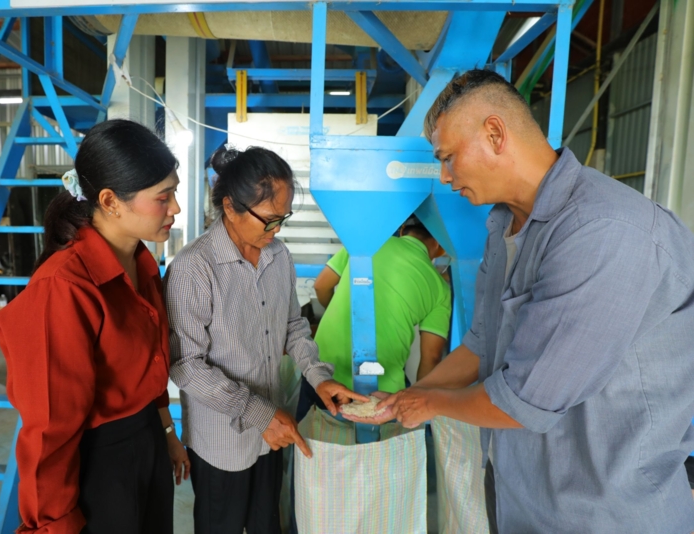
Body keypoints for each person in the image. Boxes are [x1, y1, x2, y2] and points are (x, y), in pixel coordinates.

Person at [344, 69, 694, 533]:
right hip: (524, 497)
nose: (445, 178)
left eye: (448, 158)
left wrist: (429, 404)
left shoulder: (604, 233)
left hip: (604, 512)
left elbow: (520, 403)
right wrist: (407, 397)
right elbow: (481, 343)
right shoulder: (502, 227)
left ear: (495, 134)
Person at [0, 119, 189, 534]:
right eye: (163, 197)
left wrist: (166, 432)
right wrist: (53, 523)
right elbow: (50, 429)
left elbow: (150, 371)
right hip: (99, 464)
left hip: (147, 442)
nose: (175, 208)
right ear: (110, 201)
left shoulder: (142, 266)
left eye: (174, 192)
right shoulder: (63, 287)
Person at [164, 146, 365, 534]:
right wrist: (260, 413)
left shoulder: (278, 256)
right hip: (222, 441)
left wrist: (318, 377)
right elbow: (186, 366)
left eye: (283, 219)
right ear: (230, 207)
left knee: (266, 525)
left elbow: (293, 326)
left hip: (271, 432)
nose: (276, 231)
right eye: (270, 220)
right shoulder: (194, 268)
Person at [296, 216, 451, 421]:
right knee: (376, 440)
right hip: (382, 390)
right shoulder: (440, 289)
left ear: (402, 230)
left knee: (312, 432)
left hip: (323, 371)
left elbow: (321, 285)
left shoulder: (368, 245)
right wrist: (421, 410)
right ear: (440, 244)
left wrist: (338, 312)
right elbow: (431, 357)